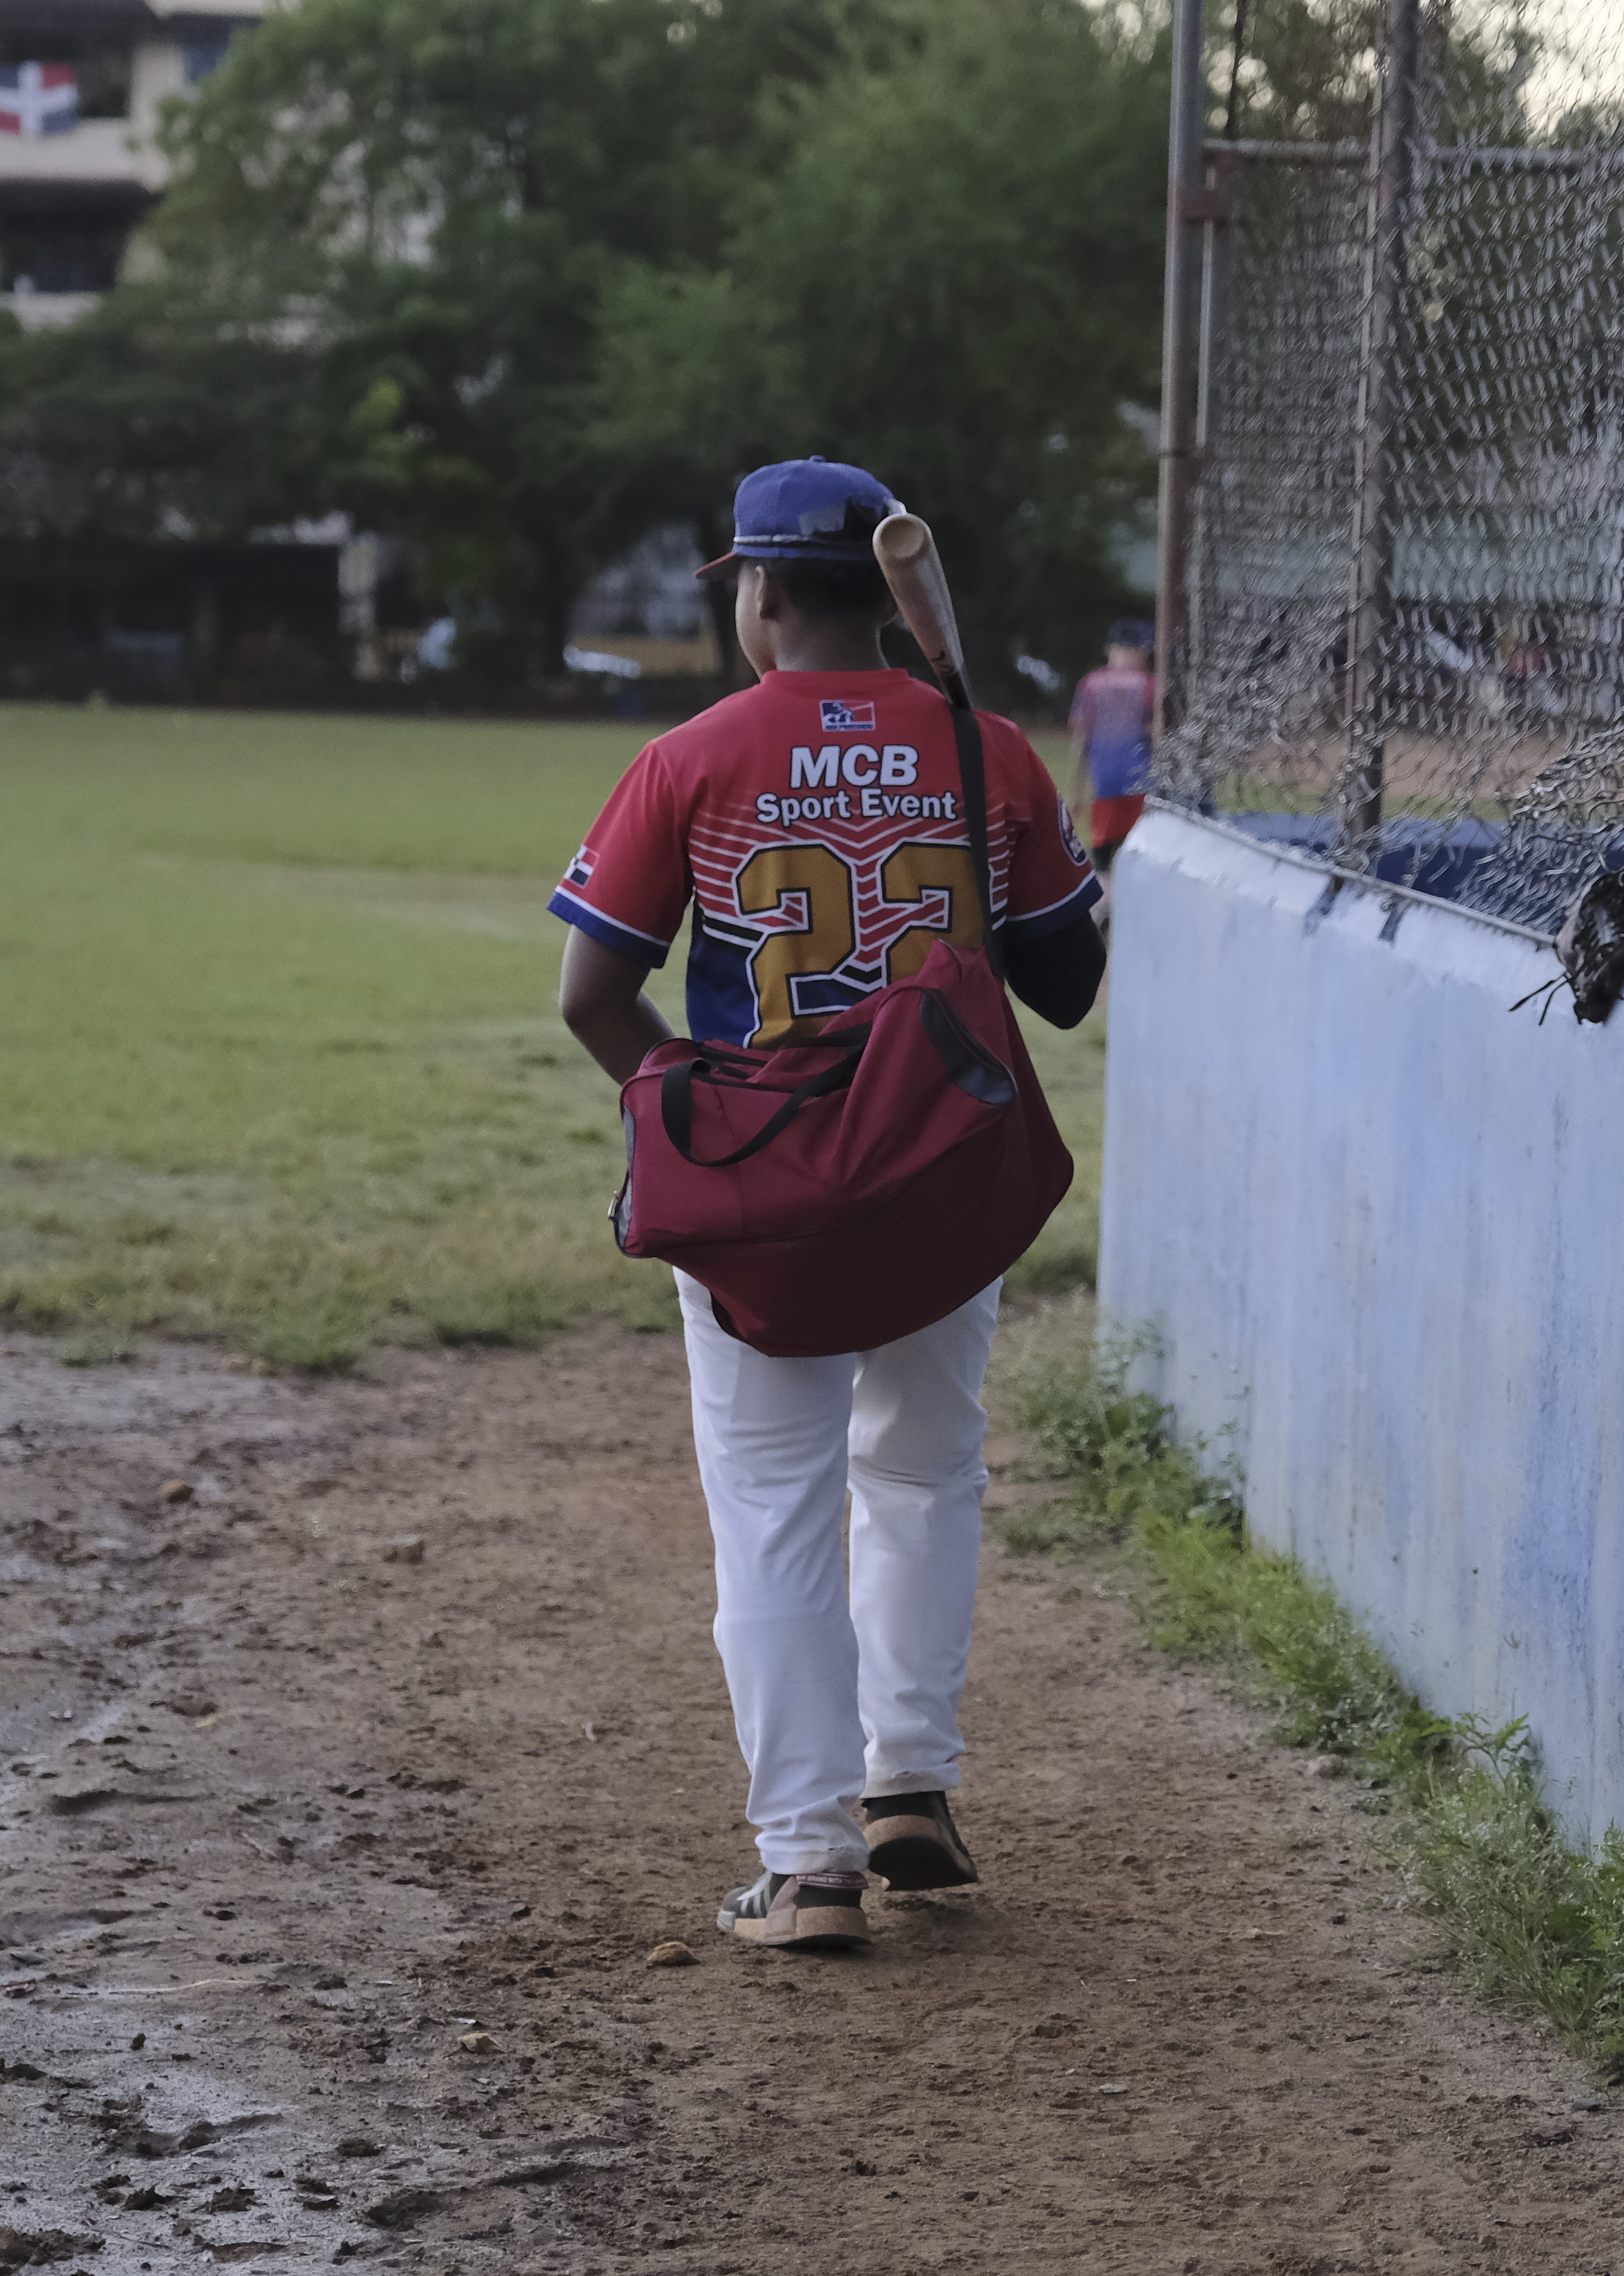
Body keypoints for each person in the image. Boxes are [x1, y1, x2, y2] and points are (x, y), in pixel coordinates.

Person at [548, 458, 1108, 1951]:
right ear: (888, 590)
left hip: (769, 1180)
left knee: (775, 1509)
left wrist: (689, 1111)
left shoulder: (697, 755)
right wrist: (1002, 802)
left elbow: (592, 992)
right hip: (940, 1164)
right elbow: (1064, 989)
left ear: (768, 593)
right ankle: (910, 1782)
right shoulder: (985, 747)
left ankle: (807, 1865)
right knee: (923, 1474)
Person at [1065, 618, 1159, 882]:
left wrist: (1076, 788)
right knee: (1139, 849)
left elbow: (1080, 739)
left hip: (1104, 781)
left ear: (1109, 650)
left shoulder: (1090, 684)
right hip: (1142, 780)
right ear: (1142, 649)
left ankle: (1104, 905)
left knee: (1102, 850)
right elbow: (1160, 732)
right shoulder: (1150, 684)